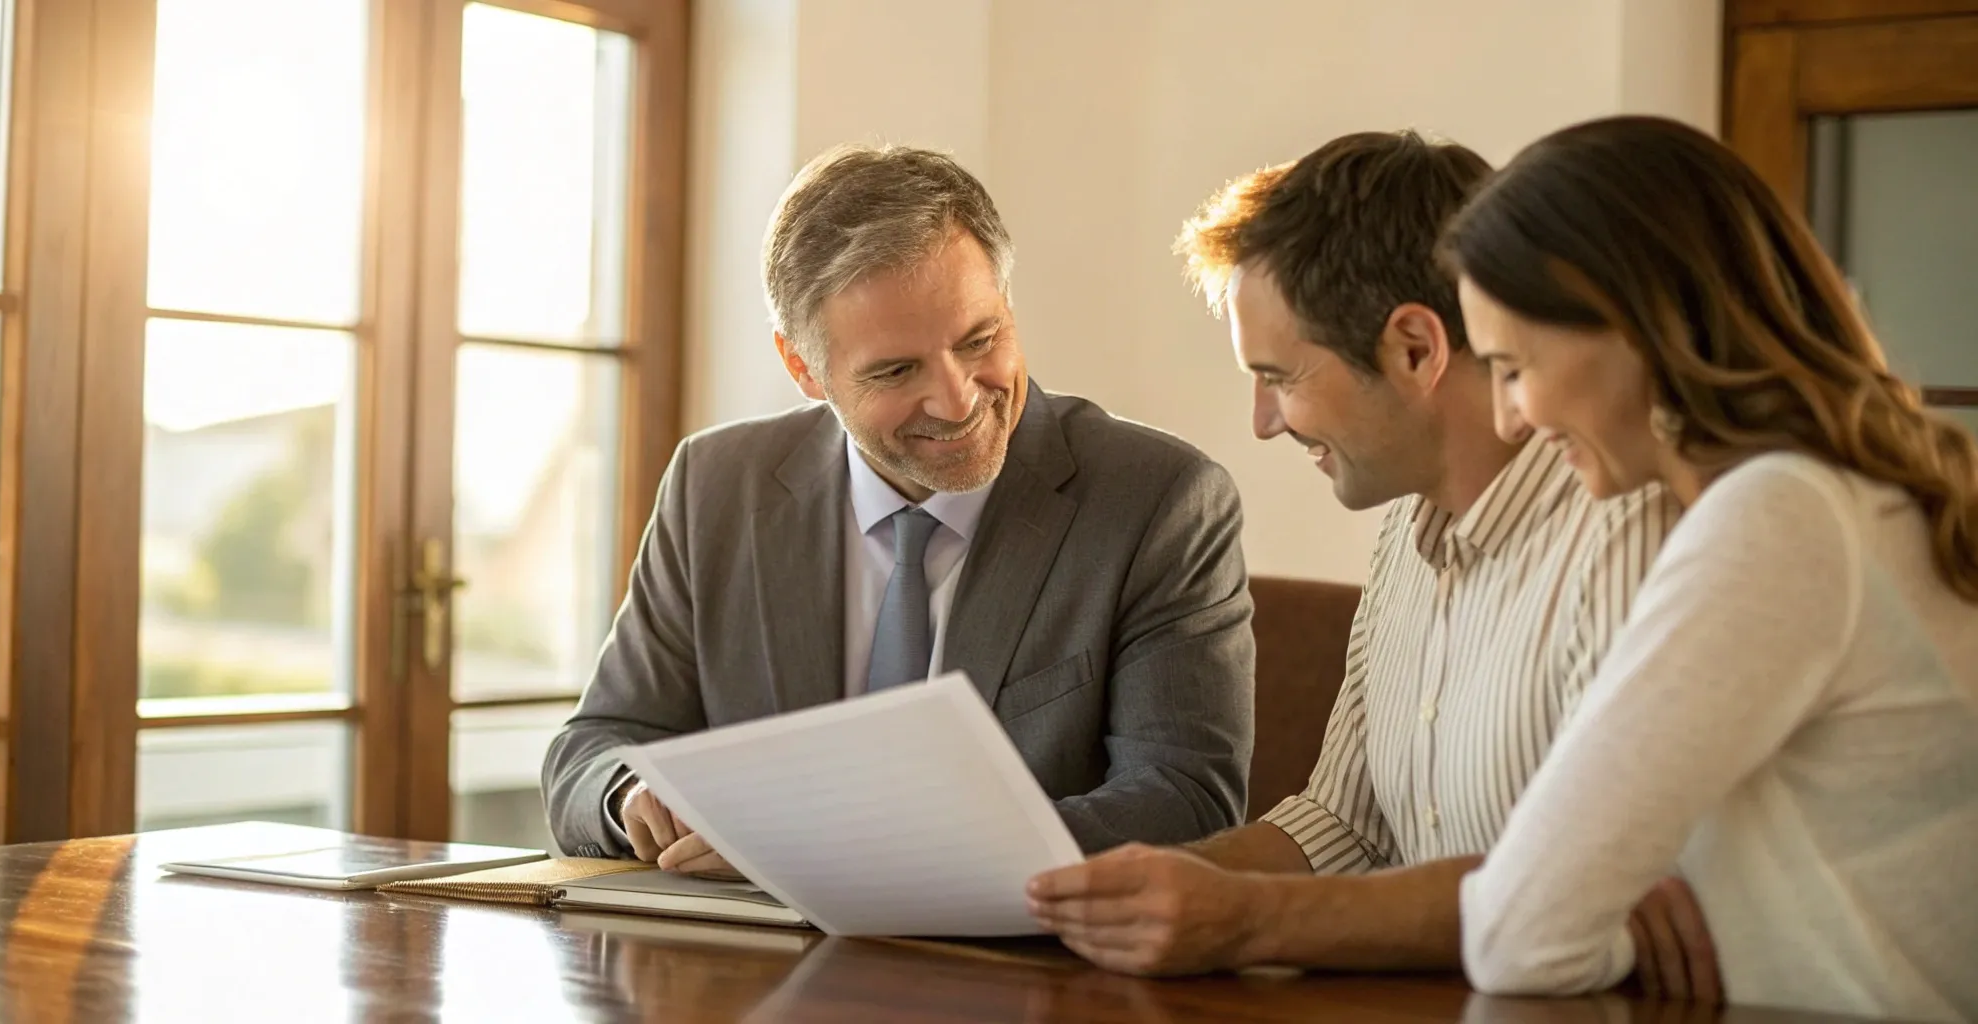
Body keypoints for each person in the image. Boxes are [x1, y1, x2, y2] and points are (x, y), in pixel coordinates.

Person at [1027, 131, 1701, 994]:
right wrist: (1118, 897)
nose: (1264, 422)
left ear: (1416, 350)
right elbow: (1342, 823)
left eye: (1280, 376)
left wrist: (1235, 918)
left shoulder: (1627, 530)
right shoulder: (1404, 535)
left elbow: (1576, 894)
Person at [543, 144, 1256, 875]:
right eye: (895, 370)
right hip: (758, 973)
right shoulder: (717, 485)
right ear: (803, 369)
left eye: (981, 340)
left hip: (1028, 969)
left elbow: (1182, 800)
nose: (958, 400)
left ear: (1008, 305)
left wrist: (847, 852)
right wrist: (635, 795)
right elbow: (594, 746)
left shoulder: (1159, 500)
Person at [1446, 115, 1978, 1022]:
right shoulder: (1856, 497)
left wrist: (1618, 927)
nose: (1509, 420)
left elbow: (1515, 935)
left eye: (1512, 367)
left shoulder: (1778, 518)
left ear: (1639, 323)